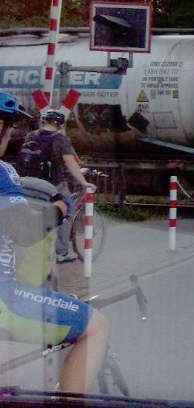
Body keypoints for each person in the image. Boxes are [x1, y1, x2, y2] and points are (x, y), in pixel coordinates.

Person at [0, 92, 109, 393]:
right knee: (95, 326)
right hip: (2, 297)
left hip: (25, 188)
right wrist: (62, 207)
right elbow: (24, 230)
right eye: (8, 131)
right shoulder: (3, 171)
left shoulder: (32, 139)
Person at [16, 109, 96, 263]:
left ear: (44, 121)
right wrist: (84, 182)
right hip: (52, 185)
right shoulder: (60, 139)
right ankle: (62, 252)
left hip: (31, 184)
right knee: (67, 212)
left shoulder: (31, 135)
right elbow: (71, 164)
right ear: (59, 124)